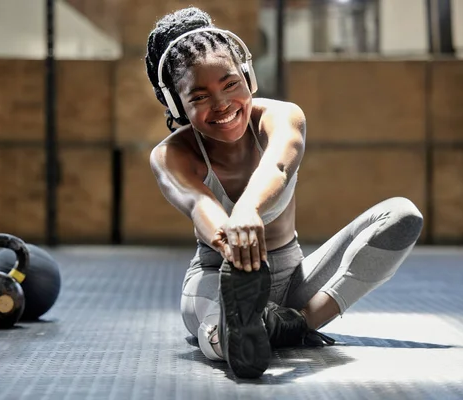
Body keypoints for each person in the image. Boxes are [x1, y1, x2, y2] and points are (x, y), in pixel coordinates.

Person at [144, 7, 423, 379]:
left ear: (247, 76)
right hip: (218, 277)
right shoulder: (170, 155)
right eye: (199, 97)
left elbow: (277, 165)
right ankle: (238, 330)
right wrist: (233, 242)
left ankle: (292, 324)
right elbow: (198, 203)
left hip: (294, 278)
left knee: (402, 216)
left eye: (230, 84)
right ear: (177, 106)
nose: (222, 104)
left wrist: (247, 210)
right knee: (225, 334)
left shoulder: (282, 116)